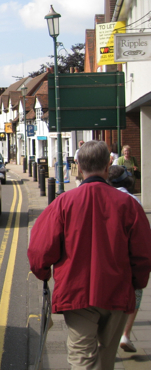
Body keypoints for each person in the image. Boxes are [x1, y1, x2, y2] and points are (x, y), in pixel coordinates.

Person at [28, 141, 151, 370]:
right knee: (106, 359)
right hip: (117, 291)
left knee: (82, 359)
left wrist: (43, 273)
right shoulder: (129, 205)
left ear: (79, 165)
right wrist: (136, 284)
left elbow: (39, 249)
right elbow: (143, 254)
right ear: (108, 165)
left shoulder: (63, 203)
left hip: (77, 294)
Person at [107, 165, 143, 353]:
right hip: (125, 263)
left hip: (102, 262)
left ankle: (105, 340)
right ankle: (125, 334)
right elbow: (142, 237)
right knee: (135, 296)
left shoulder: (98, 196)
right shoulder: (133, 201)